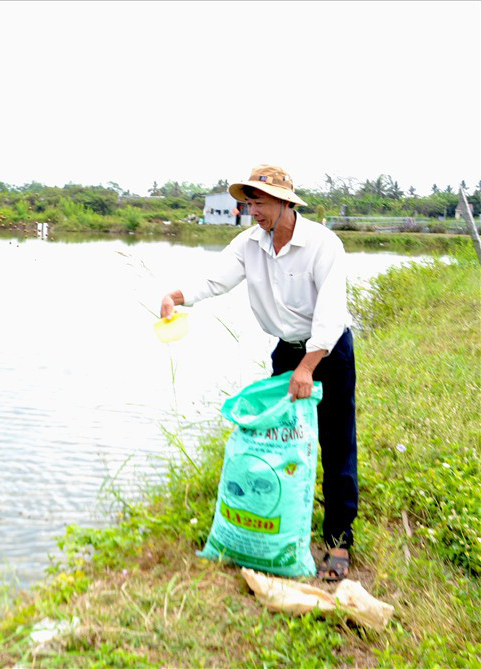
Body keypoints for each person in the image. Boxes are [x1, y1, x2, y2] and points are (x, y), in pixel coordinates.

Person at [159, 164, 357, 581]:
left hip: (328, 352)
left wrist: (309, 367)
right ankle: (277, 530)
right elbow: (213, 281)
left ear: (286, 203)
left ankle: (338, 542)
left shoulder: (323, 244)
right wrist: (174, 297)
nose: (252, 211)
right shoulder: (249, 243)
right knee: (282, 441)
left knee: (336, 442)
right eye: (248, 202)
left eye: (260, 202)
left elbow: (331, 315)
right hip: (286, 354)